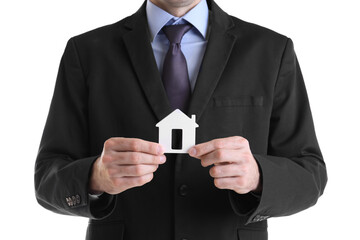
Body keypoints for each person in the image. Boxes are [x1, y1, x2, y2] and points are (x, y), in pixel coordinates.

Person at [34, 0, 327, 239]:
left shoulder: (271, 50)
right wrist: (95, 177)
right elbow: (47, 179)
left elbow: (310, 174)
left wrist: (259, 176)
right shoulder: (87, 52)